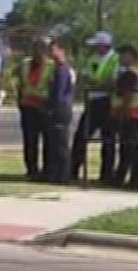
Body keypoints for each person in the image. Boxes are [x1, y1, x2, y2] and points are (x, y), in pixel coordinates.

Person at [73, 31, 121, 184]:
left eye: (97, 45)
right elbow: (87, 78)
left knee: (108, 140)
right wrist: (98, 83)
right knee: (81, 136)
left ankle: (107, 175)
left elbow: (112, 82)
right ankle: (72, 170)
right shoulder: (93, 59)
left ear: (104, 45)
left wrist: (98, 83)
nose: (94, 48)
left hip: (108, 102)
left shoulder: (115, 59)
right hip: (93, 100)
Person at [108, 44, 138, 189]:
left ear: (131, 56)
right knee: (132, 146)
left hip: (130, 112)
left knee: (128, 146)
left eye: (123, 55)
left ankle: (122, 177)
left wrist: (122, 112)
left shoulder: (131, 73)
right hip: (135, 111)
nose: (120, 58)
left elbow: (126, 94)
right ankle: (135, 178)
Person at [14, 38, 53, 180]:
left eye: (40, 50)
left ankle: (47, 169)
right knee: (30, 140)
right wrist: (20, 100)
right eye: (35, 49)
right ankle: (32, 170)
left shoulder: (51, 65)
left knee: (47, 140)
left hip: (44, 107)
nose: (37, 53)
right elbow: (20, 83)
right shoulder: (25, 64)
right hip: (28, 107)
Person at [42, 38, 77, 184]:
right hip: (57, 107)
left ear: (62, 50)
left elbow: (59, 92)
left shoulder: (63, 69)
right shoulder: (56, 68)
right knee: (54, 143)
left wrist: (51, 107)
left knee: (61, 144)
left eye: (53, 49)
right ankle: (55, 173)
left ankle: (64, 175)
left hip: (61, 109)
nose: (51, 52)